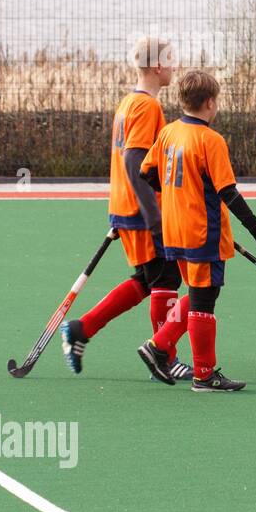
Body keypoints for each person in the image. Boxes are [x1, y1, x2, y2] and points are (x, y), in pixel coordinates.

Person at [136, 69, 256, 392]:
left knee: (199, 293)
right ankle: (203, 374)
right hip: (203, 233)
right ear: (210, 102)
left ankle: (158, 346)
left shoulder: (169, 132)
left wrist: (179, 195)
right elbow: (228, 193)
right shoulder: (210, 140)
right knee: (205, 301)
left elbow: (146, 172)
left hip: (174, 231)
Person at [60, 35, 190, 380]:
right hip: (143, 211)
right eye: (171, 60)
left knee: (147, 280)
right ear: (158, 65)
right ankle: (164, 356)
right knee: (166, 279)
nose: (174, 66)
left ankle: (81, 329)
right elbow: (134, 160)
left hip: (125, 206)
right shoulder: (148, 107)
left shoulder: (128, 103)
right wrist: (155, 217)